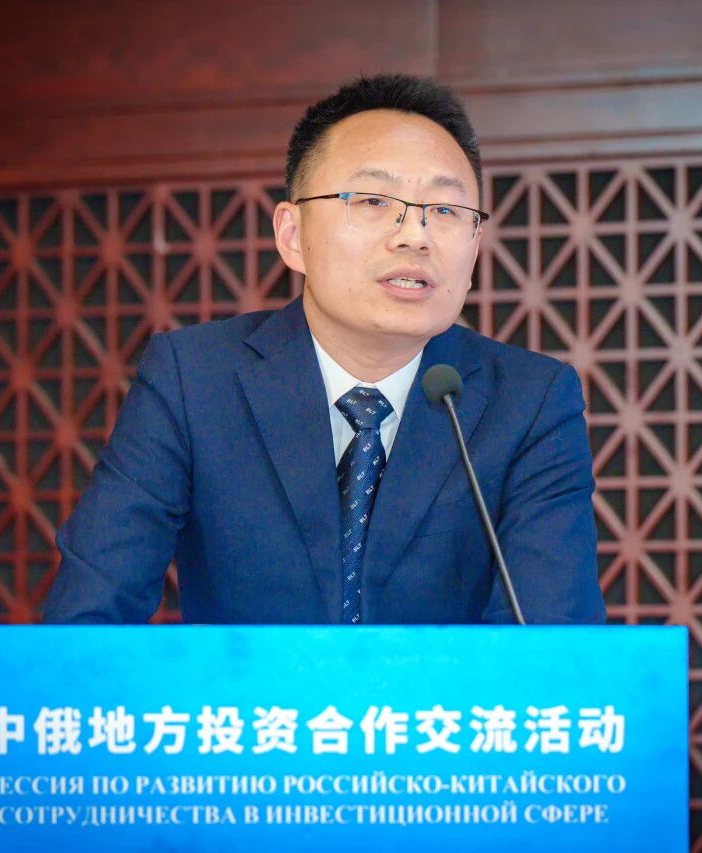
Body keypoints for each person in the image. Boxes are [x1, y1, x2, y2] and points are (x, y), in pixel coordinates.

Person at [42, 74, 605, 624]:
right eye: (373, 201)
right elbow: (89, 618)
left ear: (476, 246)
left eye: (445, 211)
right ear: (292, 235)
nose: (415, 236)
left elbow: (551, 645)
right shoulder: (194, 381)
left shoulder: (532, 403)